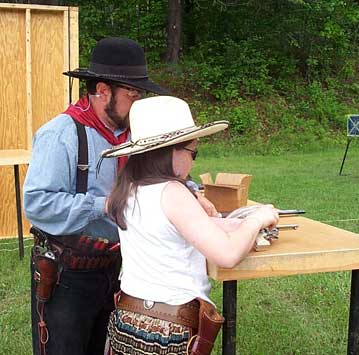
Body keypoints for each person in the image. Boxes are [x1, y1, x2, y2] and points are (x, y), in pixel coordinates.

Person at [23, 37, 170, 355]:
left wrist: (191, 194)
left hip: (121, 269)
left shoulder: (136, 136)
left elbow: (163, 178)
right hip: (68, 276)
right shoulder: (60, 134)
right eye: (132, 94)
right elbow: (36, 202)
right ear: (103, 91)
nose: (138, 101)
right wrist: (101, 204)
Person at [102, 96, 280, 355]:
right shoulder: (173, 193)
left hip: (127, 323)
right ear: (170, 151)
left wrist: (232, 225)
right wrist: (256, 219)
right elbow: (227, 255)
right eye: (193, 152)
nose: (194, 161)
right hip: (167, 331)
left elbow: (175, 229)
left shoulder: (126, 190)